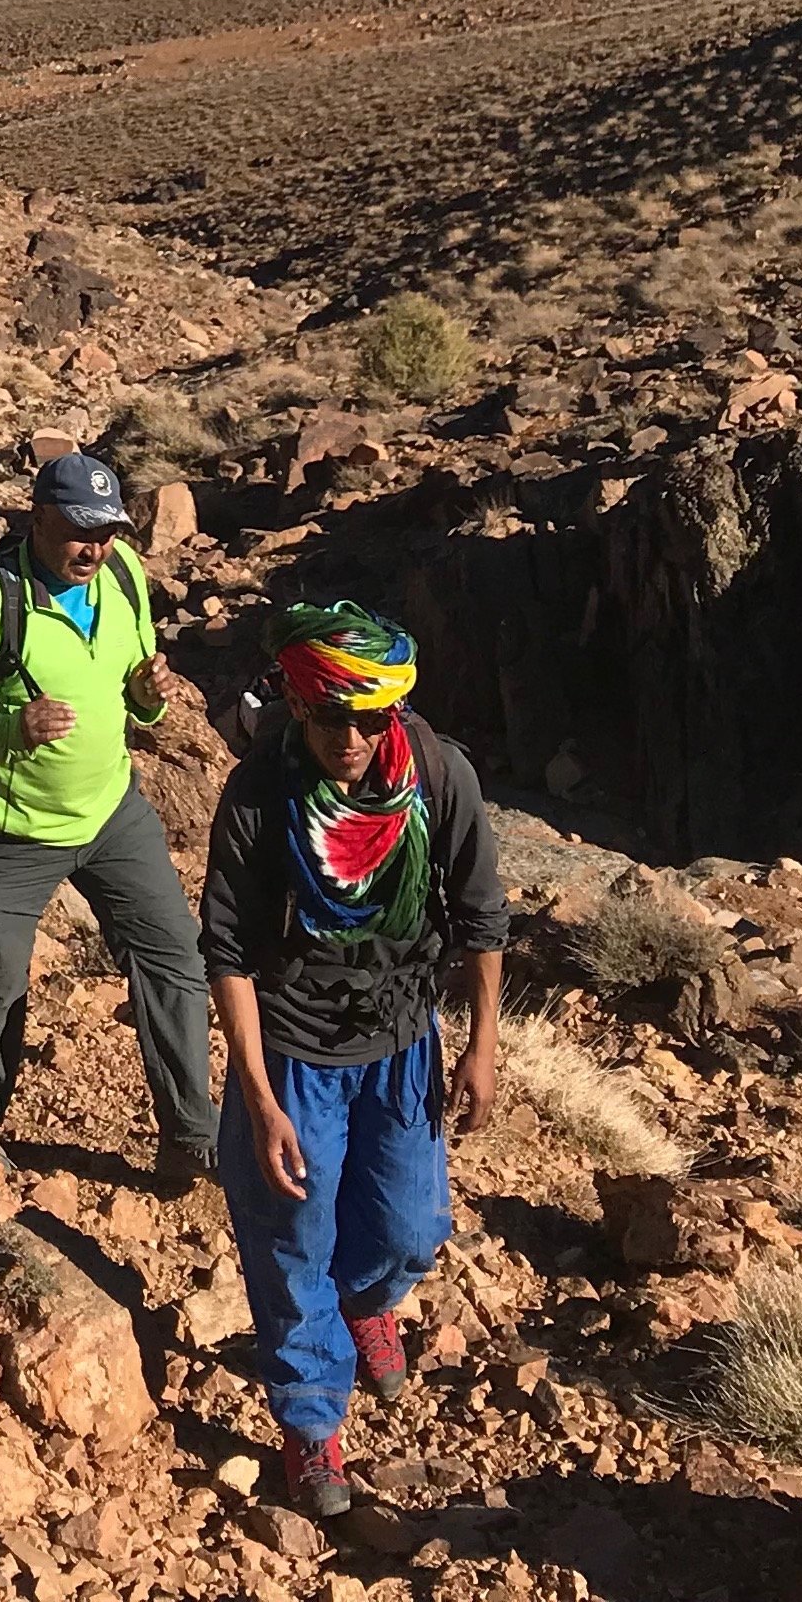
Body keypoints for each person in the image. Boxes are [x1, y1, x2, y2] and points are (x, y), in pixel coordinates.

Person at [201, 601, 507, 1519]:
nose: (354, 736)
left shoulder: (439, 777)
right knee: (293, 1235)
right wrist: (258, 1100)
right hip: (296, 1049)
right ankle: (310, 1424)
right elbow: (227, 952)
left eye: (371, 718)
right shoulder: (262, 795)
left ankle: (369, 1299)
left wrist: (483, 1047)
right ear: (300, 707)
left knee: (413, 1226)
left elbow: (483, 920)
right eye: (334, 715)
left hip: (403, 1040)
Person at [0, 449, 215, 1188]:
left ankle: (192, 1136)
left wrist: (150, 693)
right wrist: (11, 730)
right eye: (79, 530)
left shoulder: (124, 577)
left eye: (106, 531)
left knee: (175, 961)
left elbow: (138, 685)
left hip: (110, 812)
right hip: (6, 832)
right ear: (38, 517)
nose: (94, 548)